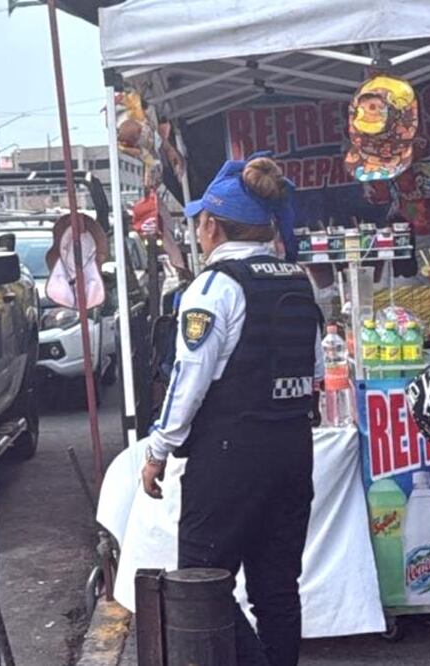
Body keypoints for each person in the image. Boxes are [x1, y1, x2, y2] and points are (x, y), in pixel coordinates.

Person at [139, 154, 322, 666]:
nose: (197, 231)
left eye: (199, 221)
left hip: (229, 454)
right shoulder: (297, 279)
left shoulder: (214, 287)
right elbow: (313, 370)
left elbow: (188, 381)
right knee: (278, 591)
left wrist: (158, 450)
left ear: (211, 224)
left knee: (200, 585)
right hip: (291, 449)